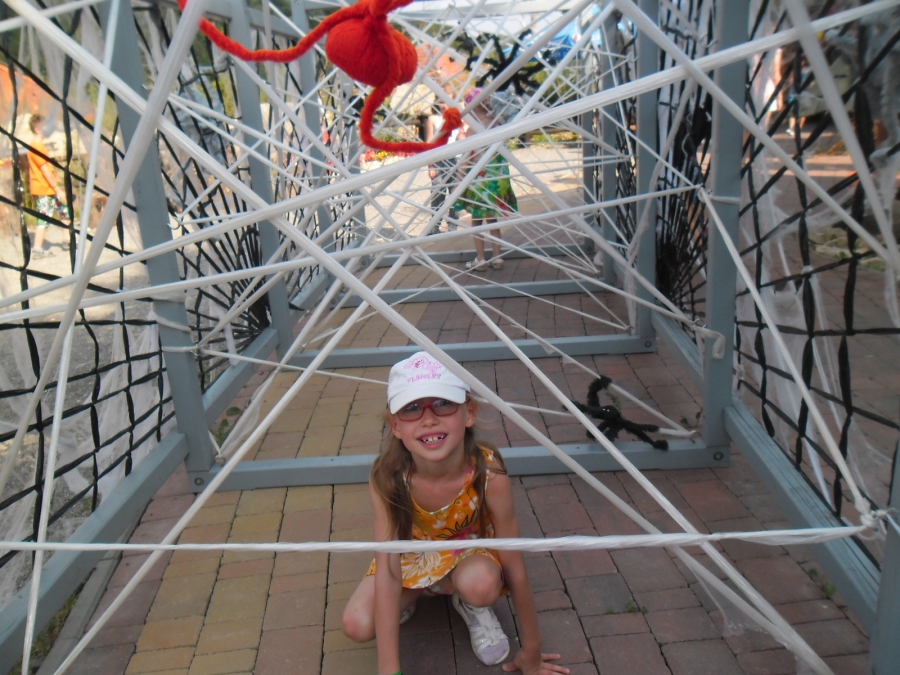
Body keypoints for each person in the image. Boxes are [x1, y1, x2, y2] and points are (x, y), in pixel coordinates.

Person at [342, 351, 570, 675]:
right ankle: (426, 590)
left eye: (444, 403)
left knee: (480, 585)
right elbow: (389, 569)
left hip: (470, 550)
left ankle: (470, 601)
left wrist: (531, 651)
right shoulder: (387, 478)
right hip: (415, 556)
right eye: (411, 408)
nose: (429, 418)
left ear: (469, 412)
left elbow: (514, 564)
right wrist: (389, 671)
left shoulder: (489, 472)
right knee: (357, 624)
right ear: (394, 425)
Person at [454, 89, 518, 271]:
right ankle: (497, 257)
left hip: (479, 184)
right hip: (498, 182)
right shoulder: (498, 124)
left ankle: (481, 258)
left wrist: (458, 183)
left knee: (476, 221)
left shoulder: (472, 131)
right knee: (492, 220)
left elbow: (466, 161)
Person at [27, 114, 67, 258]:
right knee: (43, 217)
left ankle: (67, 238)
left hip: (49, 188)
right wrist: (58, 188)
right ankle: (37, 249)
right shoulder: (36, 147)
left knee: (64, 209)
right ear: (37, 129)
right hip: (45, 188)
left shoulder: (40, 146)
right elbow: (45, 171)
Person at [424, 102, 461, 235]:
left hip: (456, 158)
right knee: (438, 193)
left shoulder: (459, 116)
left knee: (456, 193)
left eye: (447, 101)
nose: (444, 105)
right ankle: (435, 225)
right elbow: (430, 141)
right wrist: (430, 165)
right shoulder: (433, 119)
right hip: (439, 159)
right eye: (441, 101)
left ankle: (453, 224)